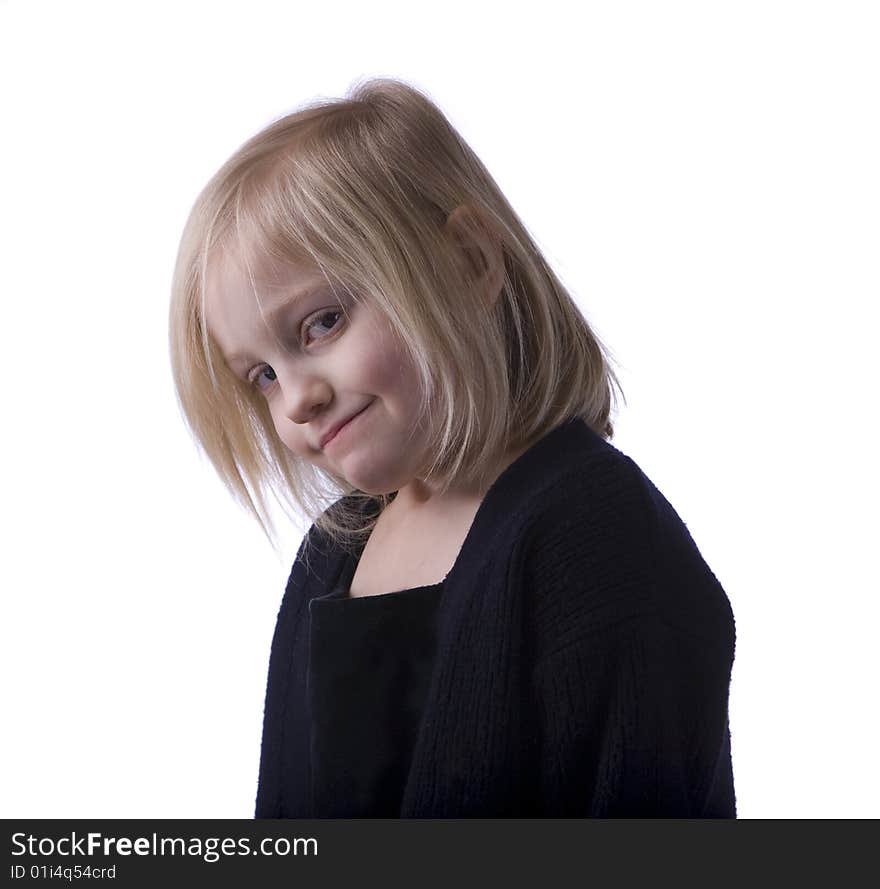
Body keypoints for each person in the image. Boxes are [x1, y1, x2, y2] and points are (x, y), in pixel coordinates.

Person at [168, 77, 736, 818]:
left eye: (323, 322)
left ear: (469, 264)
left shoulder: (591, 528)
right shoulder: (331, 556)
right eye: (263, 375)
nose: (296, 398)